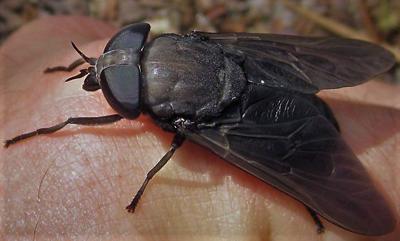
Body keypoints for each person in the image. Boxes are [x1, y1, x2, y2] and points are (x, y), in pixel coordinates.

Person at [1, 16, 399, 241]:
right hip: (257, 67)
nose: (104, 63)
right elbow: (102, 62)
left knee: (287, 172)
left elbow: (176, 146)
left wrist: (144, 182)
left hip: (284, 135)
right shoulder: (189, 40)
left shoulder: (181, 121)